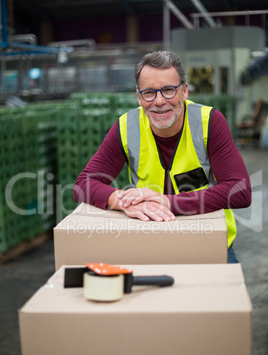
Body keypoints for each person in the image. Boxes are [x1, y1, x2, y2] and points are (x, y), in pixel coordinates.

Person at [73, 51, 252, 263]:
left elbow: (240, 191)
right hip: (151, 240)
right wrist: (122, 201)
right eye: (149, 93)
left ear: (184, 91)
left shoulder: (209, 122)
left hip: (208, 241)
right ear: (139, 97)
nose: (159, 101)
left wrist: (168, 202)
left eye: (168, 90)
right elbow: (83, 184)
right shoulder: (126, 127)